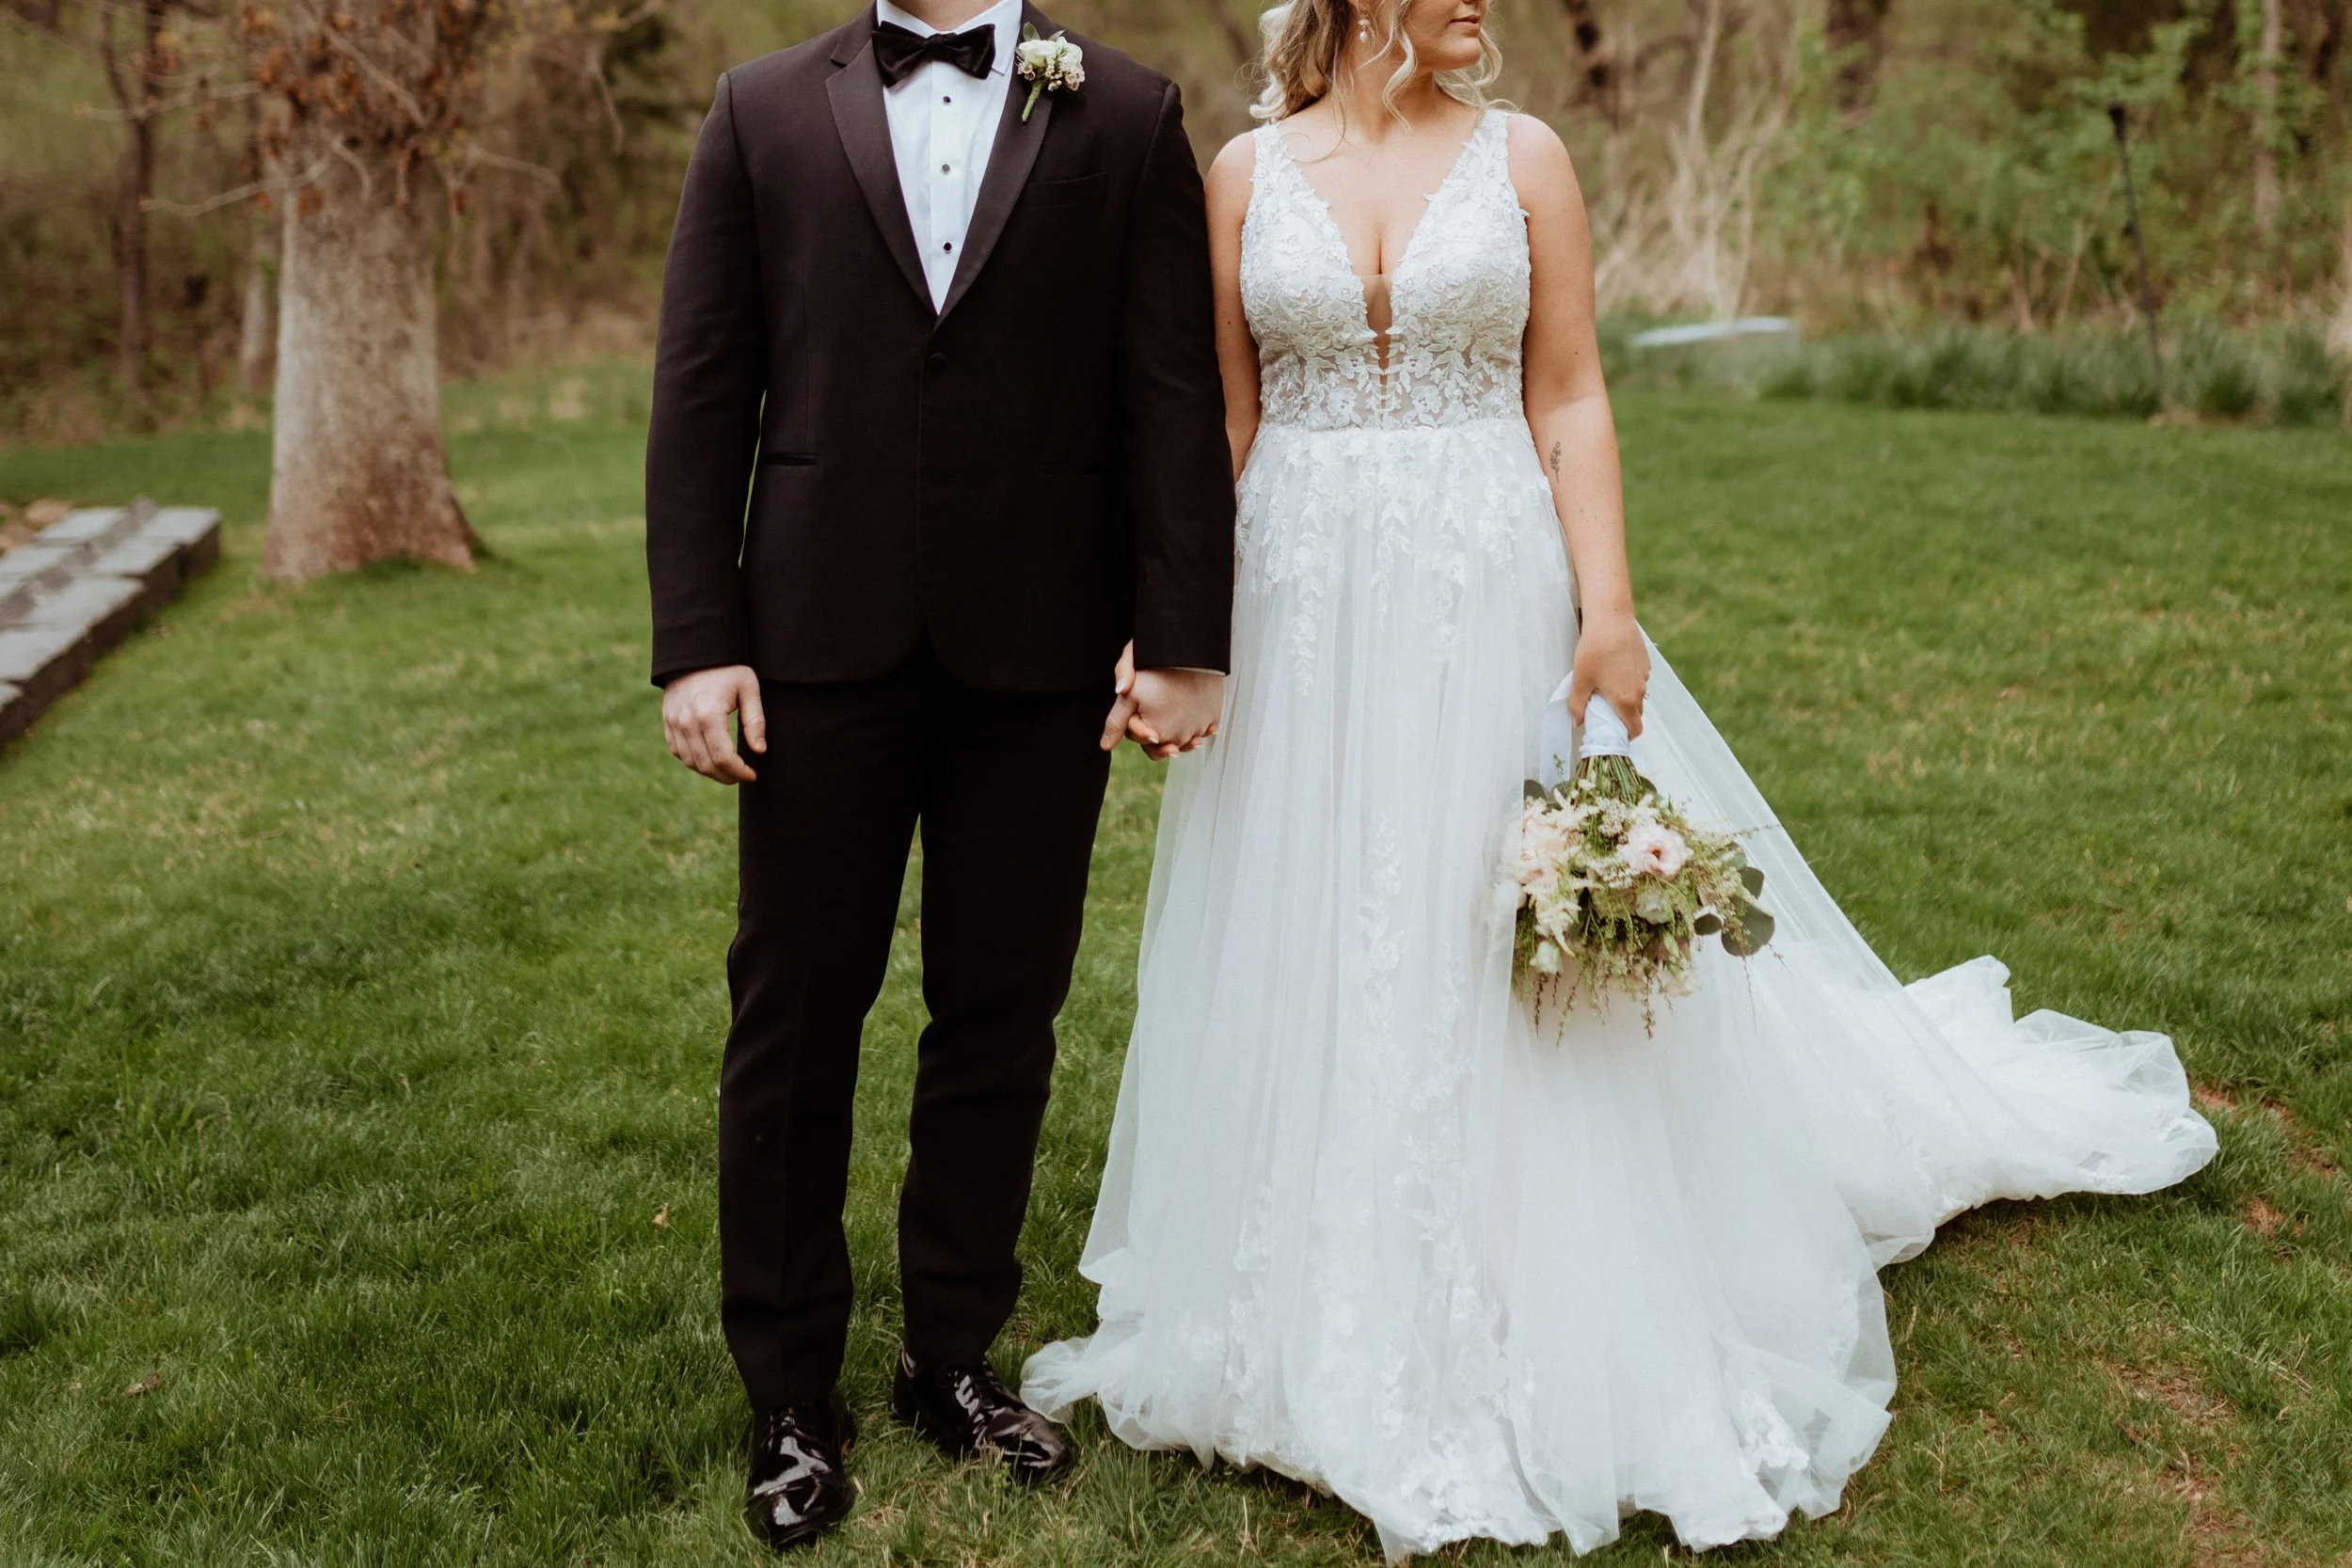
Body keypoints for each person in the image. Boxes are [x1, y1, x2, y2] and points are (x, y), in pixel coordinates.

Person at [1021, 0, 2218, 1559]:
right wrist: (1168, 625)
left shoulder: (1528, 159)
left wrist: (1606, 608)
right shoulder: (1243, 174)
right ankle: (1317, 1270)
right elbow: (1223, 425)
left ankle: (1536, 1266)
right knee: (1321, 919)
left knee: (1483, 919)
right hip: (1304, 608)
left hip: (1487, 592)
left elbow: (1569, 393)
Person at [643, 0, 1232, 1547]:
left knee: (1000, 1010)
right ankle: (788, 1389)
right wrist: (697, 641)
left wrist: (1182, 635)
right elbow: (705, 390)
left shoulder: (1129, 113)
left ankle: (950, 1354)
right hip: (816, 649)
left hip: (1040, 655)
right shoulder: (759, 109)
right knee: (793, 1011)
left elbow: (1172, 387)